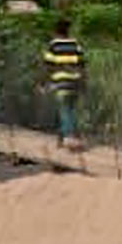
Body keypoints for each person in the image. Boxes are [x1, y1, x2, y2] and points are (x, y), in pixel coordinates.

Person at [43, 17, 87, 150]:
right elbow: (82, 64)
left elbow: (48, 65)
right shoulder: (76, 44)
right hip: (75, 81)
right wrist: (83, 82)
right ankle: (62, 138)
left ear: (56, 31)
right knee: (70, 109)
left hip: (60, 82)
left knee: (64, 110)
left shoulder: (53, 45)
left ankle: (69, 136)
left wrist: (43, 82)